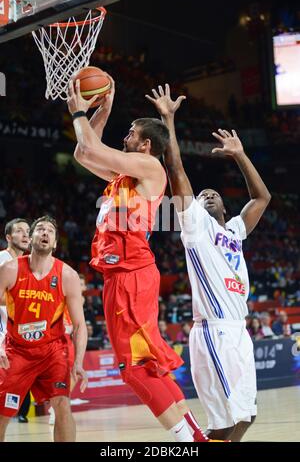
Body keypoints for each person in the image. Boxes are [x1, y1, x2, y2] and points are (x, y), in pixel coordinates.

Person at [67, 75, 213, 442]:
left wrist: (79, 113)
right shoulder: (123, 177)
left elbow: (95, 149)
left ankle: (189, 441)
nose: (125, 137)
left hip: (131, 272)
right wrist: (104, 110)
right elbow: (84, 153)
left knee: (134, 368)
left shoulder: (150, 168)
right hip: (122, 276)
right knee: (146, 364)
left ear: (145, 145)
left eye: (130, 132)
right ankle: (196, 435)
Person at [146, 84, 271, 441]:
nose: (207, 194)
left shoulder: (234, 230)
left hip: (239, 330)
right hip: (214, 330)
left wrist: (240, 155)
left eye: (213, 193)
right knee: (224, 423)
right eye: (201, 196)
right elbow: (176, 170)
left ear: (226, 207)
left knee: (246, 416)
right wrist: (167, 120)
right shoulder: (195, 227)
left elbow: (262, 197)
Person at [0, 215, 88, 442]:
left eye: (50, 230)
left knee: (62, 403)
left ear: (56, 243)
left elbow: (79, 325)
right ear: (31, 238)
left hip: (53, 350)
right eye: (40, 229)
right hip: (17, 350)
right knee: (3, 412)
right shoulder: (10, 269)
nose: (45, 233)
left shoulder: (67, 275)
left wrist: (78, 362)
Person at [0, 218, 31, 424]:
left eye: (28, 231)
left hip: (18, 330)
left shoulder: (29, 263)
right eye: (19, 231)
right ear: (9, 237)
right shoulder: (2, 259)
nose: (25, 235)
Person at [48, 273, 87, 425]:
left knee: (73, 373)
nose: (81, 286)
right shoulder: (67, 293)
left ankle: (58, 404)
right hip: (59, 332)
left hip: (69, 333)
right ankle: (55, 407)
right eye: (80, 283)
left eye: (82, 284)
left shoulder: (81, 299)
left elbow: (78, 322)